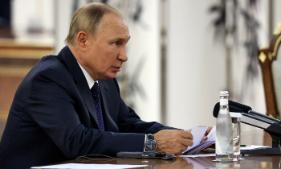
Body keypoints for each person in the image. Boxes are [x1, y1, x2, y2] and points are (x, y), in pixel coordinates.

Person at [0, 3, 204, 169]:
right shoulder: (48, 78)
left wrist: (190, 140)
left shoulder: (104, 80)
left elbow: (129, 124)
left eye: (125, 44)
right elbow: (77, 141)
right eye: (116, 43)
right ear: (83, 40)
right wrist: (152, 143)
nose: (124, 56)